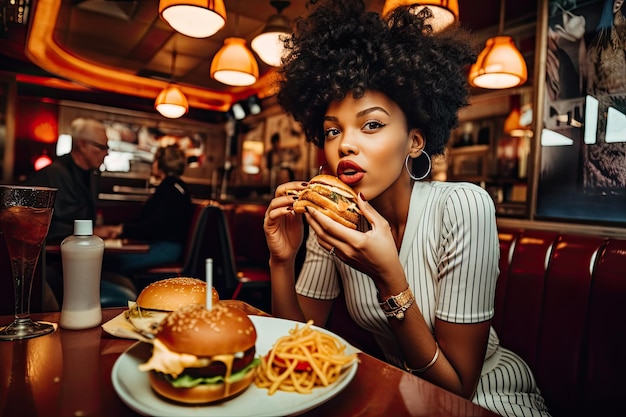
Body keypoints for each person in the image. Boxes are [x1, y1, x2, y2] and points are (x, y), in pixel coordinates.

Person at [263, 1, 551, 416]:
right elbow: (297, 342)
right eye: (331, 130)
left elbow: (459, 390)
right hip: (399, 395)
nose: (345, 143)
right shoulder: (334, 223)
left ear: (415, 141)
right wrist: (281, 261)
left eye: (372, 124)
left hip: (488, 398)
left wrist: (389, 278)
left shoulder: (462, 206)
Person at [97, 144, 193, 276]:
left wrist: (121, 230)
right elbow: (150, 222)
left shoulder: (169, 189)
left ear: (161, 164)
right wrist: (121, 229)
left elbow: (152, 227)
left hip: (166, 249)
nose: (152, 164)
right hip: (169, 246)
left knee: (111, 261)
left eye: (154, 160)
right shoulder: (177, 187)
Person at [23, 117, 109, 242]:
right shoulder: (52, 174)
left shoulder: (92, 175)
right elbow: (33, 223)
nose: (106, 153)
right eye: (102, 147)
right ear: (82, 144)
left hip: (81, 246)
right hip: (56, 252)